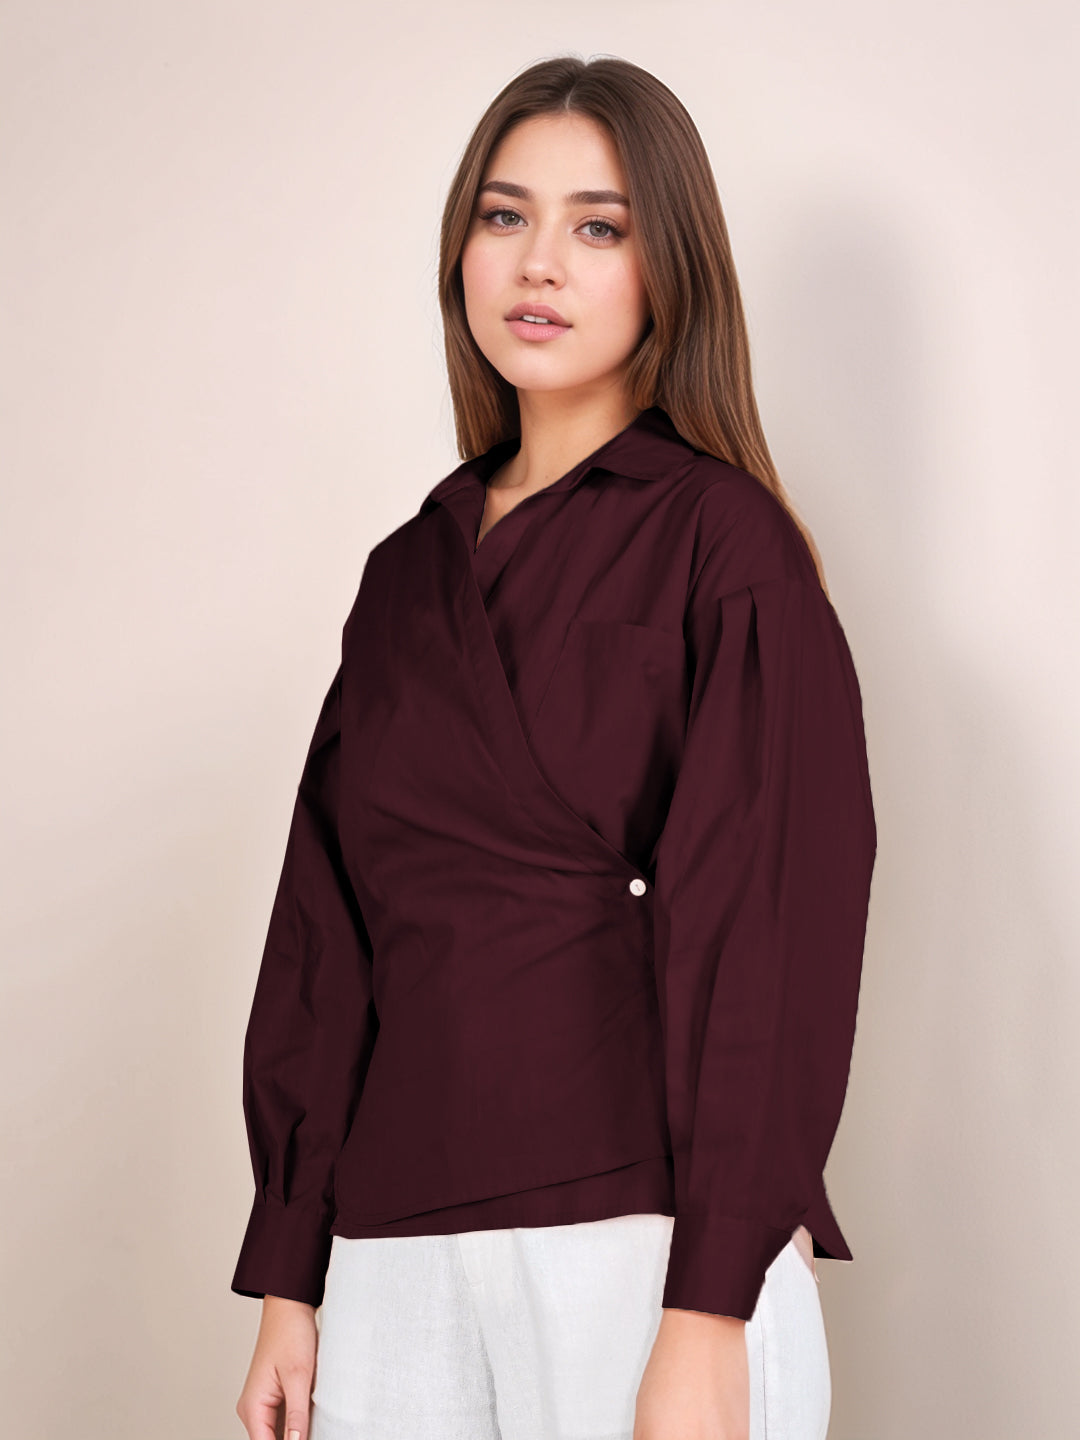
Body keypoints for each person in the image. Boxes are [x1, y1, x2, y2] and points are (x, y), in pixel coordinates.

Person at [232, 53, 876, 1440]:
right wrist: (292, 1275)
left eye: (599, 226)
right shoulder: (405, 573)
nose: (540, 262)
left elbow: (768, 934)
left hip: (638, 1242)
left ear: (667, 267)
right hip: (392, 1252)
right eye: (505, 214)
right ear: (461, 248)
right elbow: (327, 934)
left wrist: (711, 1309)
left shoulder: (725, 545)